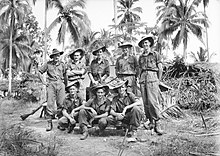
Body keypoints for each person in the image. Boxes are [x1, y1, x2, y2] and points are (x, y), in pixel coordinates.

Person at [138, 35, 164, 135]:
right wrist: (139, 79)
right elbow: (140, 69)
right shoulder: (140, 57)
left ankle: (157, 122)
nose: (145, 44)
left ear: (150, 44)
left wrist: (158, 80)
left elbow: (160, 68)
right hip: (143, 78)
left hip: (153, 77)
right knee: (145, 102)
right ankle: (151, 122)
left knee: (153, 101)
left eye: (146, 42)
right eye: (143, 43)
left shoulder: (155, 54)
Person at [38, 48, 67, 131]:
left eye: (58, 55)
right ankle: (49, 123)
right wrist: (44, 82)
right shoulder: (48, 64)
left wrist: (65, 85)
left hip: (61, 84)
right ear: (52, 57)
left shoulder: (63, 64)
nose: (57, 57)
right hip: (51, 84)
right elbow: (39, 71)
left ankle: (61, 123)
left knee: (61, 103)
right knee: (50, 103)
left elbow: (65, 75)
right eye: (55, 55)